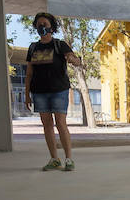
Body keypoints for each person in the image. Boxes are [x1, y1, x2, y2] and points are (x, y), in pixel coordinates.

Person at [24, 12, 85, 171]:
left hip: (59, 90)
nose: (41, 27)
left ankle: (69, 159)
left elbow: (75, 61)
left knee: (60, 123)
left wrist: (73, 59)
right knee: (47, 125)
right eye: (38, 25)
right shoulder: (33, 47)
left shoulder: (60, 44)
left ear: (51, 26)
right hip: (39, 92)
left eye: (44, 24)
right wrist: (27, 95)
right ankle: (54, 159)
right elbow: (29, 73)